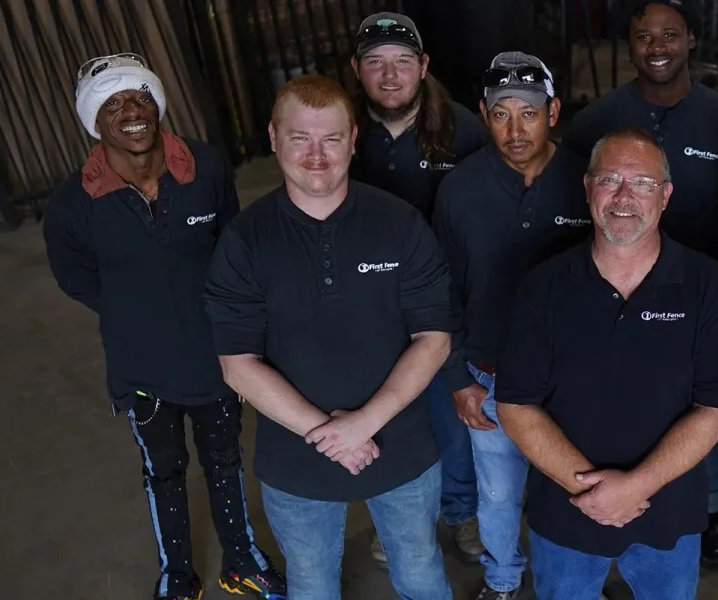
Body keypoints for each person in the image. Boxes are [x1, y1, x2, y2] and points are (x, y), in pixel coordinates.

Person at [42, 52, 284, 600]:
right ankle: (178, 575)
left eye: (140, 97)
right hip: (142, 363)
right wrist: (140, 310)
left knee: (224, 457)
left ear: (157, 104)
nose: (131, 111)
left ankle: (240, 559)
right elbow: (76, 279)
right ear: (95, 122)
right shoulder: (73, 204)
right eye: (114, 104)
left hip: (217, 353)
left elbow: (230, 244)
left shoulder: (205, 167)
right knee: (164, 469)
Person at [204, 74, 455, 600]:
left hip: (401, 447)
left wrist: (364, 423)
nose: (316, 155)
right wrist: (329, 433)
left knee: (420, 573)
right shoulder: (244, 241)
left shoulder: (400, 224)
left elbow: (434, 337)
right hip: (296, 460)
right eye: (300, 138)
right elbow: (237, 364)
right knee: (312, 584)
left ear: (353, 139)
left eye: (331, 138)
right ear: (274, 138)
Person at [496, 128, 718, 600]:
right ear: (587, 188)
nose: (625, 197)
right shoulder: (543, 287)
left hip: (667, 509)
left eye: (642, 183)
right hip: (568, 511)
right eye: (610, 180)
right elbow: (516, 406)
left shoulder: (708, 286)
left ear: (665, 195)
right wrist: (595, 493)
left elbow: (715, 409)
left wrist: (635, 488)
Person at [557, 0, 718, 565]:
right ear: (630, 45)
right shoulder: (597, 121)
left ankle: (710, 509)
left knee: (705, 404)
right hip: (609, 286)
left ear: (690, 39)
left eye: (669, 34)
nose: (658, 47)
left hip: (697, 294)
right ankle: (599, 493)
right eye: (644, 37)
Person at [432, 50, 593, 600]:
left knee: (569, 488)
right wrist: (458, 376)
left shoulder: (588, 182)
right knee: (498, 495)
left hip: (571, 379)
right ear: (482, 113)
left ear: (553, 111)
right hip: (490, 374)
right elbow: (440, 291)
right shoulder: (459, 190)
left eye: (528, 112)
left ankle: (570, 584)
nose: (515, 128)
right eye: (501, 114)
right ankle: (502, 580)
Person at [346, 10, 489, 564]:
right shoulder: (340, 131)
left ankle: (461, 512)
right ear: (356, 70)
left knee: (452, 421)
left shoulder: (463, 129)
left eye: (402, 62)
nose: (389, 76)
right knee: (387, 419)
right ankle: (401, 521)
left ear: (423, 66)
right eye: (375, 63)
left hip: (443, 309)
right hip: (369, 310)